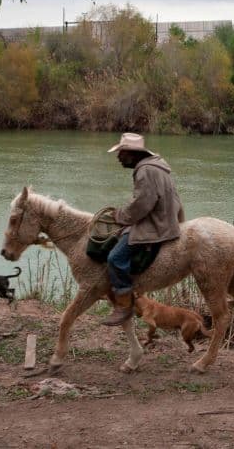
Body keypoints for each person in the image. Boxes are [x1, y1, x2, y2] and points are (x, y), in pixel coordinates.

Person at [101, 132, 184, 326]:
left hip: (156, 225)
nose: (118, 157)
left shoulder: (144, 171)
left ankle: (123, 305)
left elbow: (142, 203)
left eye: (121, 153)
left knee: (115, 258)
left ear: (131, 153)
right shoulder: (158, 167)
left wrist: (121, 216)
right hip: (166, 220)